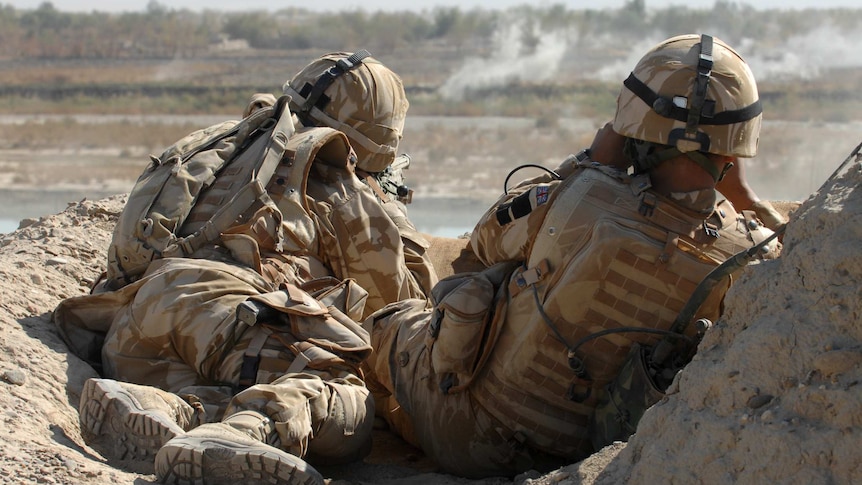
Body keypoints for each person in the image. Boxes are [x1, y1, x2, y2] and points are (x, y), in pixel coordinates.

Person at [362, 34, 781, 479]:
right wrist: (749, 200)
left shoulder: (583, 193)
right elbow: (796, 260)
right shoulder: (752, 254)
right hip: (595, 454)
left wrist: (587, 163)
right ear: (736, 145)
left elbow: (485, 242)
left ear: (632, 121)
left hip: (474, 435)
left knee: (387, 322)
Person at [54, 51, 436, 485]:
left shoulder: (225, 143)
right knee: (346, 397)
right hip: (226, 315)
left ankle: (165, 408)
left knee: (242, 381)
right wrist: (390, 217)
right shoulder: (331, 179)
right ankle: (246, 433)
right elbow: (401, 313)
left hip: (131, 328)